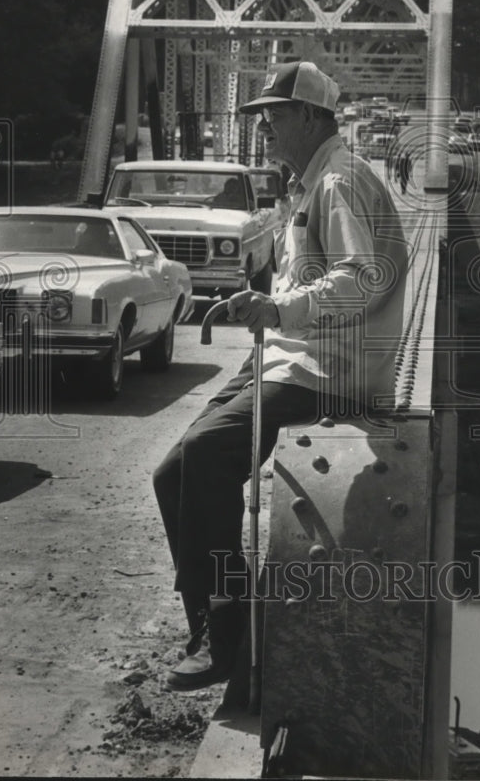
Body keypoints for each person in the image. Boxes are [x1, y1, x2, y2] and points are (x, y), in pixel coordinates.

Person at [152, 60, 407, 691]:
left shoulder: (339, 181)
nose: (263, 125)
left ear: (313, 117)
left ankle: (227, 635)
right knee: (173, 471)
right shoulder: (312, 181)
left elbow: (361, 277)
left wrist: (282, 306)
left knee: (206, 455)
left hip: (332, 367)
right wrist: (262, 299)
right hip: (292, 355)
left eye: (274, 113)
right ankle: (217, 618)